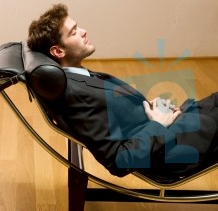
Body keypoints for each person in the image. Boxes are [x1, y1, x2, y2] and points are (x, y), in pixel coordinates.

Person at [27, 3, 218, 181]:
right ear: (58, 51)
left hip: (176, 130)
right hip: (173, 151)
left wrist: (148, 111)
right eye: (74, 32)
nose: (84, 32)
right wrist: (158, 123)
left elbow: (115, 116)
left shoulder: (78, 78)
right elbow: (119, 160)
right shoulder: (75, 95)